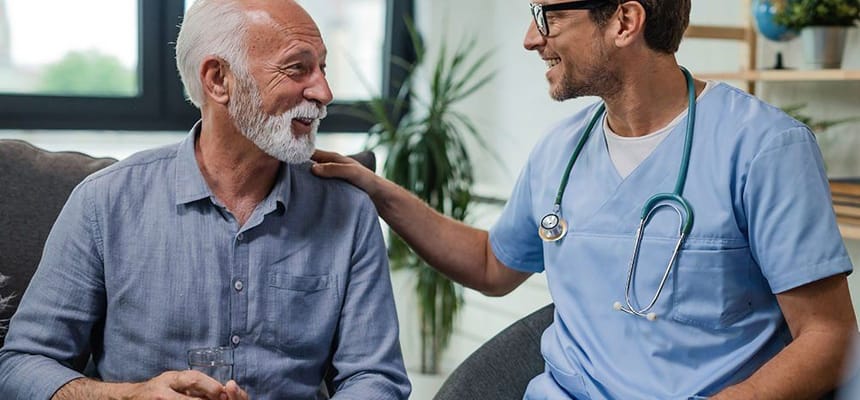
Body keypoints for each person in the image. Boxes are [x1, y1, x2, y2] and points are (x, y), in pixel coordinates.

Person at [312, 0, 858, 398]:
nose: (531, 37)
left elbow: (828, 336)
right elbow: (490, 264)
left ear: (624, 21)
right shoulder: (560, 151)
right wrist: (379, 192)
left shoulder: (764, 147)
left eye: (548, 16)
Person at [0, 0, 410, 399]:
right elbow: (22, 365)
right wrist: (129, 396)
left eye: (322, 67)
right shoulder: (104, 203)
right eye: (297, 68)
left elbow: (376, 376)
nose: (324, 91)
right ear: (218, 80)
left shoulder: (348, 211)